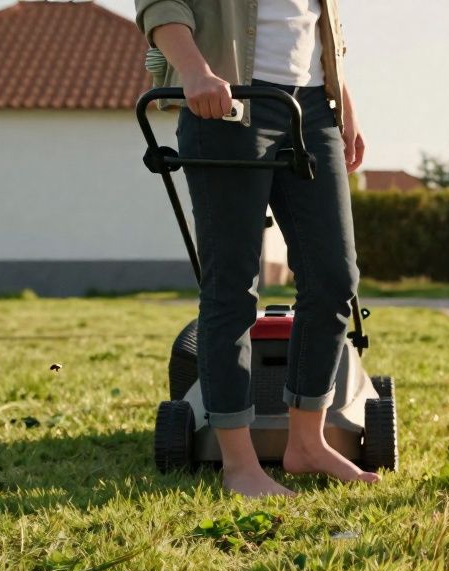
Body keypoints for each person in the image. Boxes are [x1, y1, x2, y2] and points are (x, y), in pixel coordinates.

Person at [135, 0, 378, 496]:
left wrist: (344, 104)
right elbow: (162, 5)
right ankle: (240, 466)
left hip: (312, 108)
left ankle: (307, 443)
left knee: (334, 278)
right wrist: (195, 72)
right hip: (228, 101)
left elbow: (318, 24)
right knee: (231, 286)